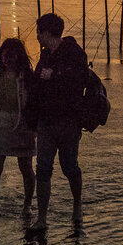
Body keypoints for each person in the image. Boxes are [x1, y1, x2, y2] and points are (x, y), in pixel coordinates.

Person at [26, 13, 88, 233]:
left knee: (69, 167)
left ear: (47, 32)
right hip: (46, 122)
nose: (36, 37)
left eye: (38, 33)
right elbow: (36, 84)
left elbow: (81, 78)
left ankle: (77, 205)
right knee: (43, 169)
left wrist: (55, 74)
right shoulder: (44, 56)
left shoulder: (74, 52)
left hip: (69, 122)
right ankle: (41, 219)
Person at [0, 38, 36, 220]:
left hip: (22, 126)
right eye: (4, 56)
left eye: (10, 56)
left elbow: (33, 103)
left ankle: (27, 206)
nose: (7, 59)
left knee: (26, 167)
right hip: (1, 123)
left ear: (18, 57)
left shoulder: (27, 77)